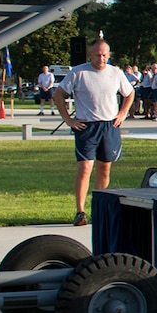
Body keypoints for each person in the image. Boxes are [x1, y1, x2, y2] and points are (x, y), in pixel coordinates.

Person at [51, 39, 136, 227]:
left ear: (109, 55)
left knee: (104, 168)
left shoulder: (115, 73)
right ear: (91, 54)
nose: (101, 58)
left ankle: (100, 210)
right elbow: (58, 94)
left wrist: (122, 113)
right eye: (98, 55)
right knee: (85, 168)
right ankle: (80, 211)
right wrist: (68, 119)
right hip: (86, 126)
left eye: (105, 55)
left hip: (109, 125)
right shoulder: (78, 72)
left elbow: (129, 93)